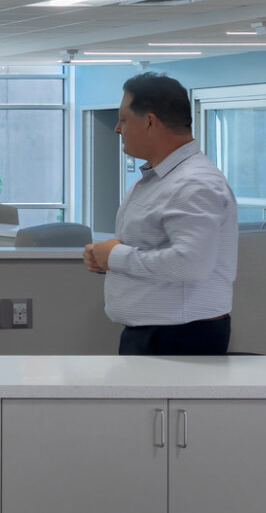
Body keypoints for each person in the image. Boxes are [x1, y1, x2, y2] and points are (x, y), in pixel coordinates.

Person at [84, 72, 238, 355]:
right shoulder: (162, 179)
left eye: (124, 119)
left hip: (179, 338)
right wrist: (107, 258)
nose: (117, 128)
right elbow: (153, 249)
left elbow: (189, 264)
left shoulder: (194, 182)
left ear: (150, 121)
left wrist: (116, 256)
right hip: (158, 335)